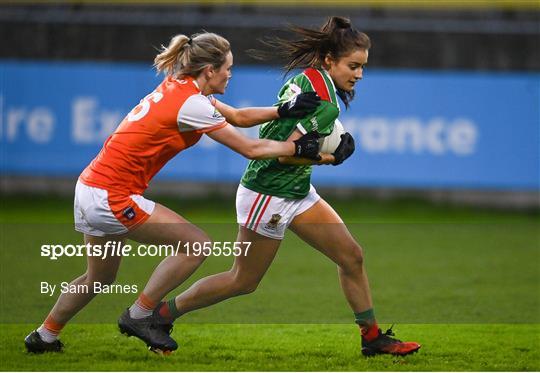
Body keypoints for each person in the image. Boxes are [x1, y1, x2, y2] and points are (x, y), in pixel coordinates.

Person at [24, 31, 322, 354]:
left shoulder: (183, 87)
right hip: (112, 195)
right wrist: (296, 146)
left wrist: (283, 109)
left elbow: (236, 116)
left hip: (90, 187)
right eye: (227, 68)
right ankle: (138, 315)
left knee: (98, 278)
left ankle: (44, 335)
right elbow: (249, 148)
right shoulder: (193, 104)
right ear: (209, 70)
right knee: (196, 245)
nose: (230, 74)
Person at [151, 17, 421, 357]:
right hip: (269, 192)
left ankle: (372, 338)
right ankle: (159, 316)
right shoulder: (325, 102)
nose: (359, 74)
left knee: (351, 256)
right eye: (353, 66)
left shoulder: (307, 78)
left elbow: (292, 137)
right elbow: (287, 156)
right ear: (329, 61)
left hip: (296, 190)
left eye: (363, 67)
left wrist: (326, 145)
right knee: (243, 280)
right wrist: (330, 158)